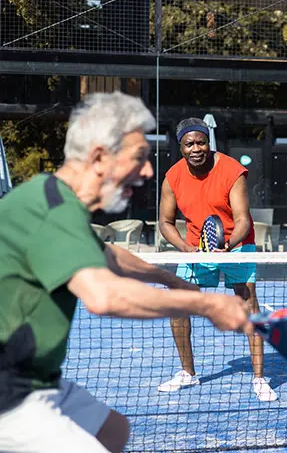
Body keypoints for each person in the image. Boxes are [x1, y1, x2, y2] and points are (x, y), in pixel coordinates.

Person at [0, 92, 254, 453]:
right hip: (9, 391)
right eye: (138, 158)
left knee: (113, 430)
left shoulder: (56, 199)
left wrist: (168, 278)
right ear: (100, 156)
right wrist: (207, 305)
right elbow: (104, 296)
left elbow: (108, 256)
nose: (148, 171)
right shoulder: (49, 209)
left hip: (37, 377)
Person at [158, 117, 275, 402]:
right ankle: (188, 373)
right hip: (196, 247)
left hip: (236, 244)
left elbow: (243, 220)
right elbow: (165, 222)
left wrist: (228, 245)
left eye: (201, 142)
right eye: (189, 144)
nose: (196, 148)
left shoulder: (232, 171)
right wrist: (186, 248)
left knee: (249, 306)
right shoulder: (172, 177)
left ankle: (260, 379)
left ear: (208, 143)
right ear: (181, 147)